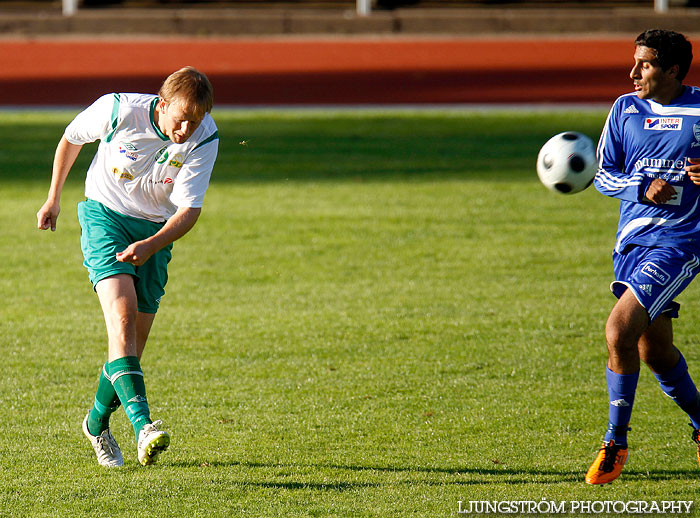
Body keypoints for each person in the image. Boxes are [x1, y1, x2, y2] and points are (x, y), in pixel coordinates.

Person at [36, 66, 219, 467]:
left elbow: (189, 210)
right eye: (180, 118)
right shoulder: (117, 110)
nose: (186, 128)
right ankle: (144, 427)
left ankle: (95, 423)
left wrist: (152, 245)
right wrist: (54, 199)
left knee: (130, 347)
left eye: (196, 120)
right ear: (162, 103)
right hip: (106, 216)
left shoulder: (205, 136)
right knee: (121, 319)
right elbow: (70, 138)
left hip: (154, 232)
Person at [587, 29, 700, 484]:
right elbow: (601, 173)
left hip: (681, 242)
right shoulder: (624, 109)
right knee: (654, 350)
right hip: (632, 244)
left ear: (673, 70)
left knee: (619, 330)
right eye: (634, 62)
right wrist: (638, 187)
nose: (633, 73)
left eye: (645, 65)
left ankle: (615, 441)